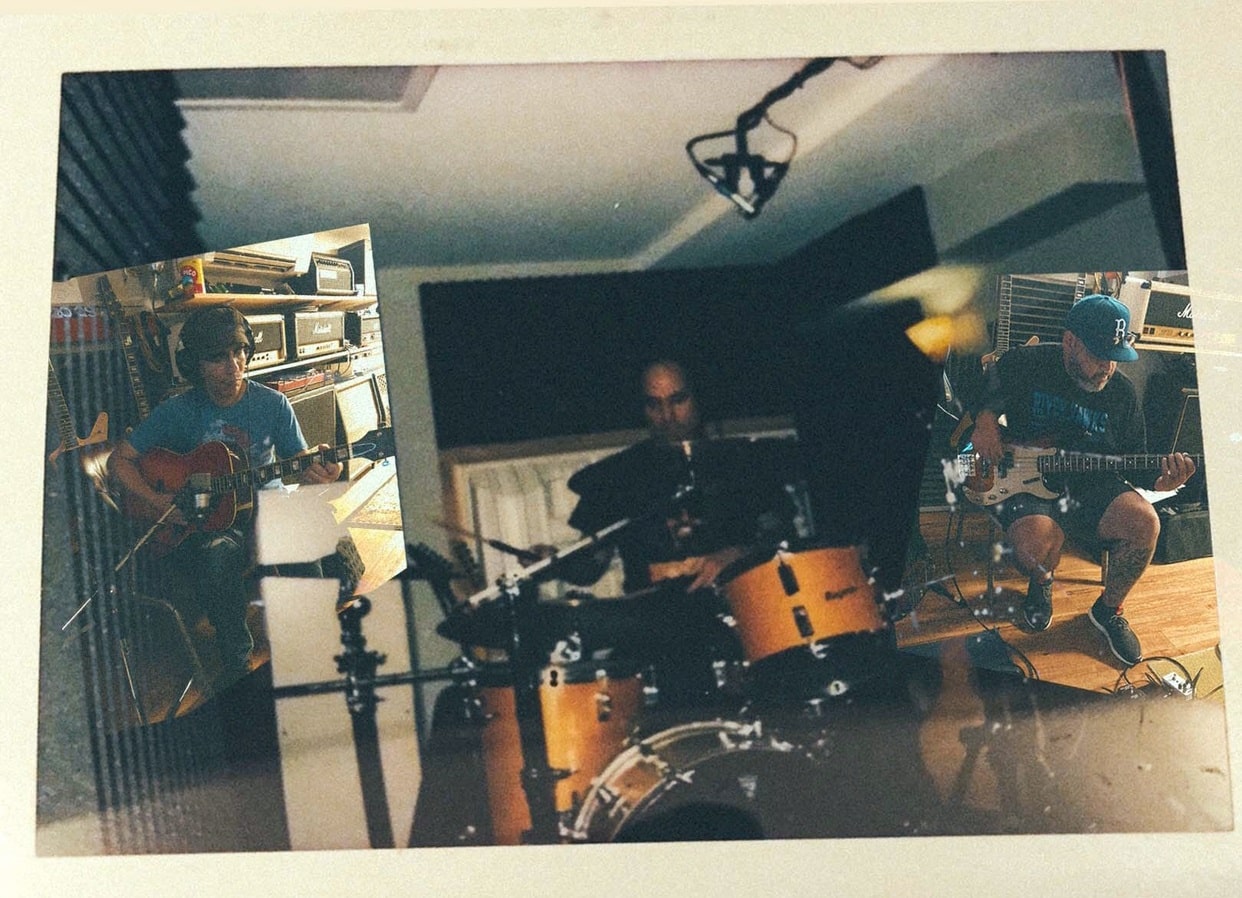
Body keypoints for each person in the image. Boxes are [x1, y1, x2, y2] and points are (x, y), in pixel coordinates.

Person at [108, 306, 341, 679]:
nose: (233, 366)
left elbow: (300, 463)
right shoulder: (176, 411)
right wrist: (157, 501)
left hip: (271, 506)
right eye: (217, 358)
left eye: (239, 352)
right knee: (218, 555)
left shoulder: (273, 404)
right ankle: (237, 661)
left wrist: (318, 474)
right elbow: (120, 460)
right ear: (195, 365)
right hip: (213, 518)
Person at [966, 294, 1196, 665]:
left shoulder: (1122, 394)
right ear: (1070, 341)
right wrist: (985, 421)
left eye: (1116, 358)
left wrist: (1161, 481)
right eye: (1099, 355)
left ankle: (1108, 610)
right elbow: (983, 391)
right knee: (1035, 542)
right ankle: (1042, 583)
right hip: (1028, 477)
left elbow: (1135, 460)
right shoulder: (1026, 363)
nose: (1108, 368)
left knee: (1146, 523)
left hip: (1091, 483)